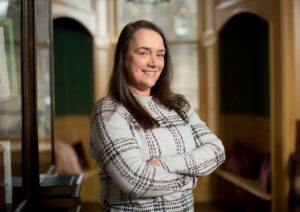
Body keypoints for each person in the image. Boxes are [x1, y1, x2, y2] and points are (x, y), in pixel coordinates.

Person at [89, 20, 225, 211]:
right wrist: (192, 178)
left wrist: (165, 163)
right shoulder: (108, 112)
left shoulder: (179, 105)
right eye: (143, 53)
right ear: (124, 56)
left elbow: (216, 151)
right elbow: (138, 182)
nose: (154, 62)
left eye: (160, 54)